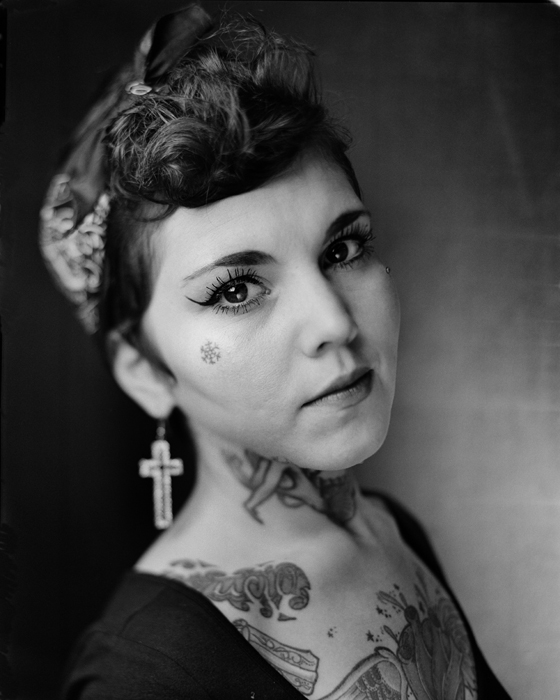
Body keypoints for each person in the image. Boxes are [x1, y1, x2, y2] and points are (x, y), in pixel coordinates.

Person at [39, 4, 512, 699]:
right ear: (143, 370)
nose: (333, 323)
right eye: (235, 290)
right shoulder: (142, 675)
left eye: (343, 249)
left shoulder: (393, 532)